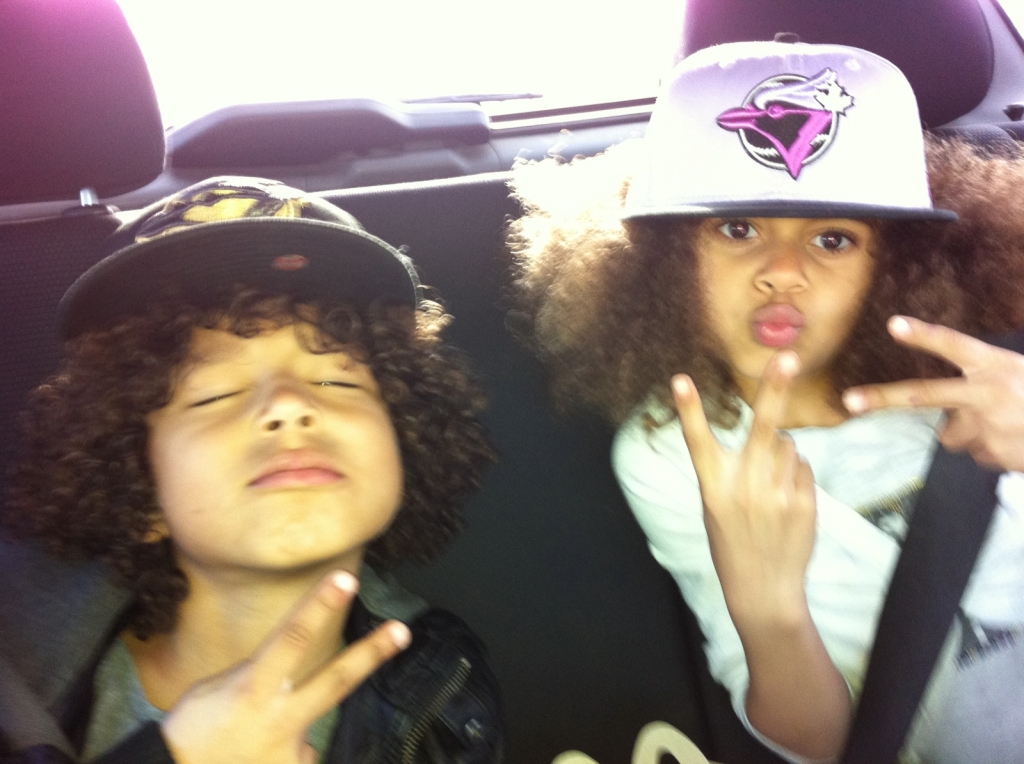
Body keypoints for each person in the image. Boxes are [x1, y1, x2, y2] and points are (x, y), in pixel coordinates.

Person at [508, 39, 1024, 763]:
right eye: (738, 228)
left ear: (897, 267)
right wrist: (768, 612)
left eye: (834, 239)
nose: (782, 271)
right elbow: (823, 745)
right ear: (666, 261)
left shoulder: (987, 376)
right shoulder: (676, 454)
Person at [0, 177, 503, 763]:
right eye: (215, 394)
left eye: (337, 380)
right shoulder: (18, 672)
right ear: (138, 488)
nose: (288, 405)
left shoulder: (446, 692)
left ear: (404, 442)